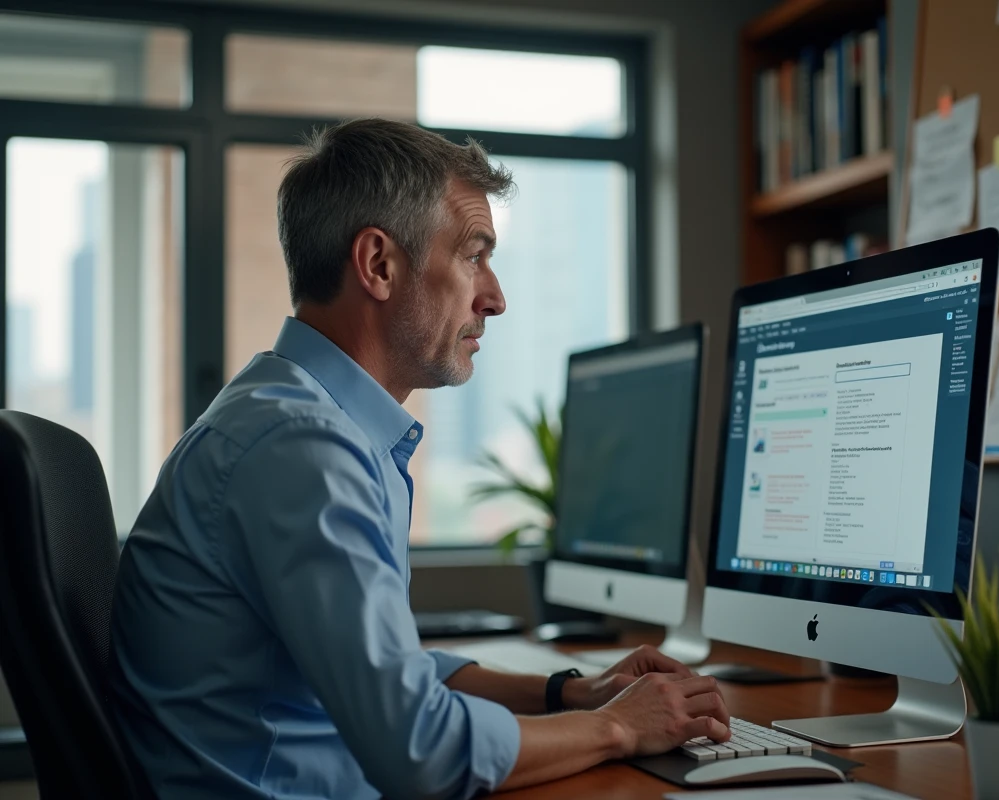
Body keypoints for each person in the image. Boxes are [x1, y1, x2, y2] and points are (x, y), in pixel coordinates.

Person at [109, 118, 730, 800]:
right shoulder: (302, 449)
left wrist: (572, 693)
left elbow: (391, 676)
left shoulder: (304, 422)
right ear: (379, 265)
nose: (495, 298)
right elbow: (420, 749)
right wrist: (619, 727)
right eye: (473, 255)